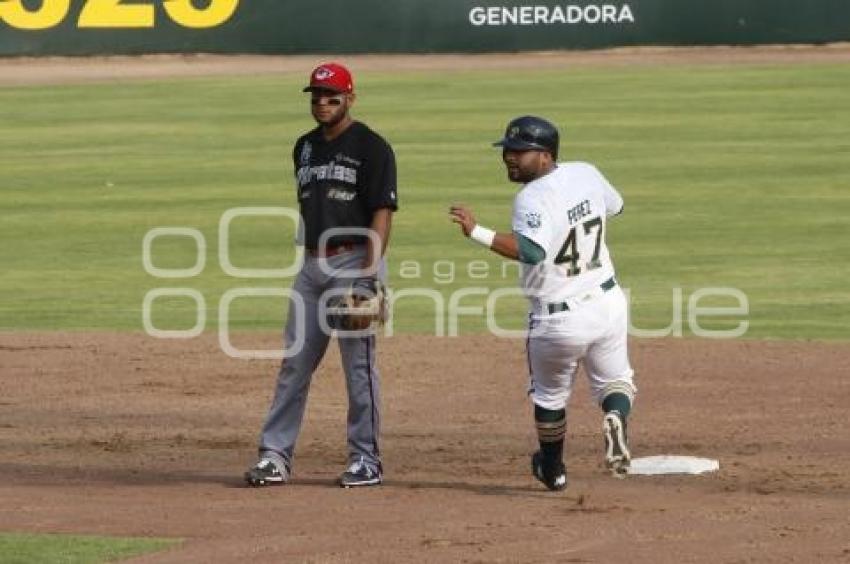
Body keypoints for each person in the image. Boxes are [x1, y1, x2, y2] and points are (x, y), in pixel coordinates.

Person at [449, 116, 635, 491]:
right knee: (616, 381)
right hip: (607, 301)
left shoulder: (531, 197)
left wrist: (476, 231)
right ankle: (615, 417)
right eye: (507, 151)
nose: (509, 158)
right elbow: (615, 207)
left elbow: (532, 251)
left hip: (559, 319)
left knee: (550, 396)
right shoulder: (586, 171)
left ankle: (553, 470)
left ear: (546, 156)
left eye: (519, 152)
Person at [245, 62, 398, 488]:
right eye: (317, 96)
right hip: (311, 267)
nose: (323, 103)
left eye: (332, 96)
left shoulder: (372, 147)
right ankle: (274, 456)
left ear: (350, 97)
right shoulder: (304, 147)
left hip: (354, 263)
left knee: (358, 367)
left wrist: (369, 274)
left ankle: (365, 459)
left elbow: (382, 213)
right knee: (294, 363)